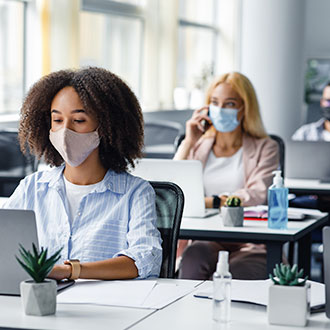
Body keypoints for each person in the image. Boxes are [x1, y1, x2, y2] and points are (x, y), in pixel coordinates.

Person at [4, 67, 162, 281]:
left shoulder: (135, 192)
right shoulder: (32, 187)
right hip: (39, 302)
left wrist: (71, 271)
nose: (65, 131)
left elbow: (146, 260)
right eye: (57, 120)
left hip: (108, 308)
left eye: (79, 121)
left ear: (107, 126)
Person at [175, 72, 279, 280]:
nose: (221, 109)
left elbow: (257, 194)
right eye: (215, 102)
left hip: (251, 239)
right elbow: (173, 188)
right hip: (205, 236)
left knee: (240, 269)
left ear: (244, 108)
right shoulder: (199, 145)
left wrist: (208, 201)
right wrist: (188, 142)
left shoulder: (266, 147)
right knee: (194, 259)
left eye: (230, 104)